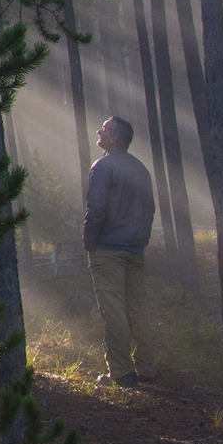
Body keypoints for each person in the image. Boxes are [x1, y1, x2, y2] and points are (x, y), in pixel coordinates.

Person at [84, 114, 156, 386]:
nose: (99, 132)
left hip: (108, 249)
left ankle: (122, 372)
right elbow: (149, 209)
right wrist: (140, 240)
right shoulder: (140, 169)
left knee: (113, 311)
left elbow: (96, 208)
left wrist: (90, 241)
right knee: (138, 308)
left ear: (114, 138)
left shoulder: (102, 167)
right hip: (135, 249)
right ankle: (146, 369)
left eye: (104, 129)